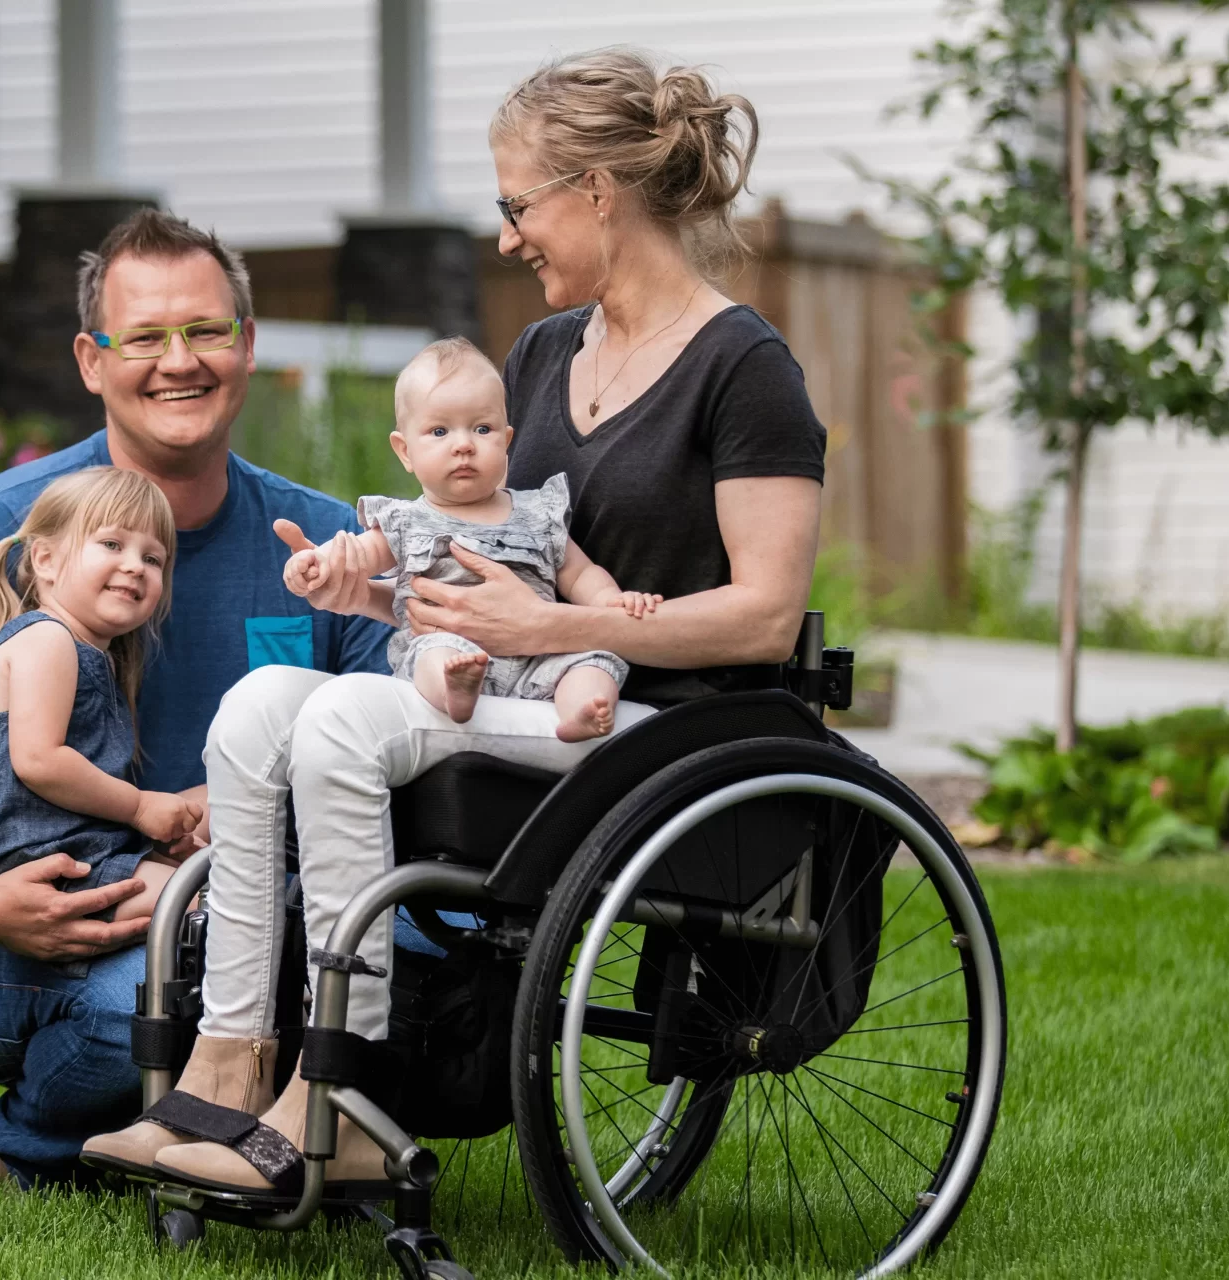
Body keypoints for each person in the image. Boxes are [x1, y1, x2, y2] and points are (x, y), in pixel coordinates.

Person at [106, 46, 829, 1197]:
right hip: (501, 695)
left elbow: (764, 614)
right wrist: (375, 591)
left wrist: (546, 630)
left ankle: (342, 1084)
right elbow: (490, 548)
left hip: (647, 727)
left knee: (340, 720)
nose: (505, 237)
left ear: (594, 191)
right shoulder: (544, 354)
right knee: (257, 712)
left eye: (515, 205)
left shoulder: (744, 369)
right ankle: (230, 1056)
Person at [0, 208, 393, 1189]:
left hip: (244, 913)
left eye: (204, 330)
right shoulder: (4, 527)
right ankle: (33, 1144)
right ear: (89, 358)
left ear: (245, 345)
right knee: (132, 1012)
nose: (178, 361)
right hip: (29, 932)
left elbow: (385, 766)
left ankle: (251, 1125)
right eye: (143, 336)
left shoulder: (319, 547)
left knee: (412, 996)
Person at [280, 337, 662, 744]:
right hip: (452, 646)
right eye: (440, 431)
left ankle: (583, 710)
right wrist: (317, 564)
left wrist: (610, 602)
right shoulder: (406, 522)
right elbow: (356, 554)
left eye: (482, 428)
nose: (463, 444)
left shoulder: (537, 512)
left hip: (540, 654)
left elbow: (578, 571)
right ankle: (455, 691)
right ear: (405, 451)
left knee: (592, 662)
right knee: (432, 653)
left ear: (507, 440)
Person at [0, 467, 199, 927]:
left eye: (153, 559)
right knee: (204, 899)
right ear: (44, 559)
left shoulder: (85, 652)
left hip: (84, 849)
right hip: (46, 867)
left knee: (215, 822)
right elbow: (40, 761)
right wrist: (141, 808)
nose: (134, 565)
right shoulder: (46, 640)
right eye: (112, 544)